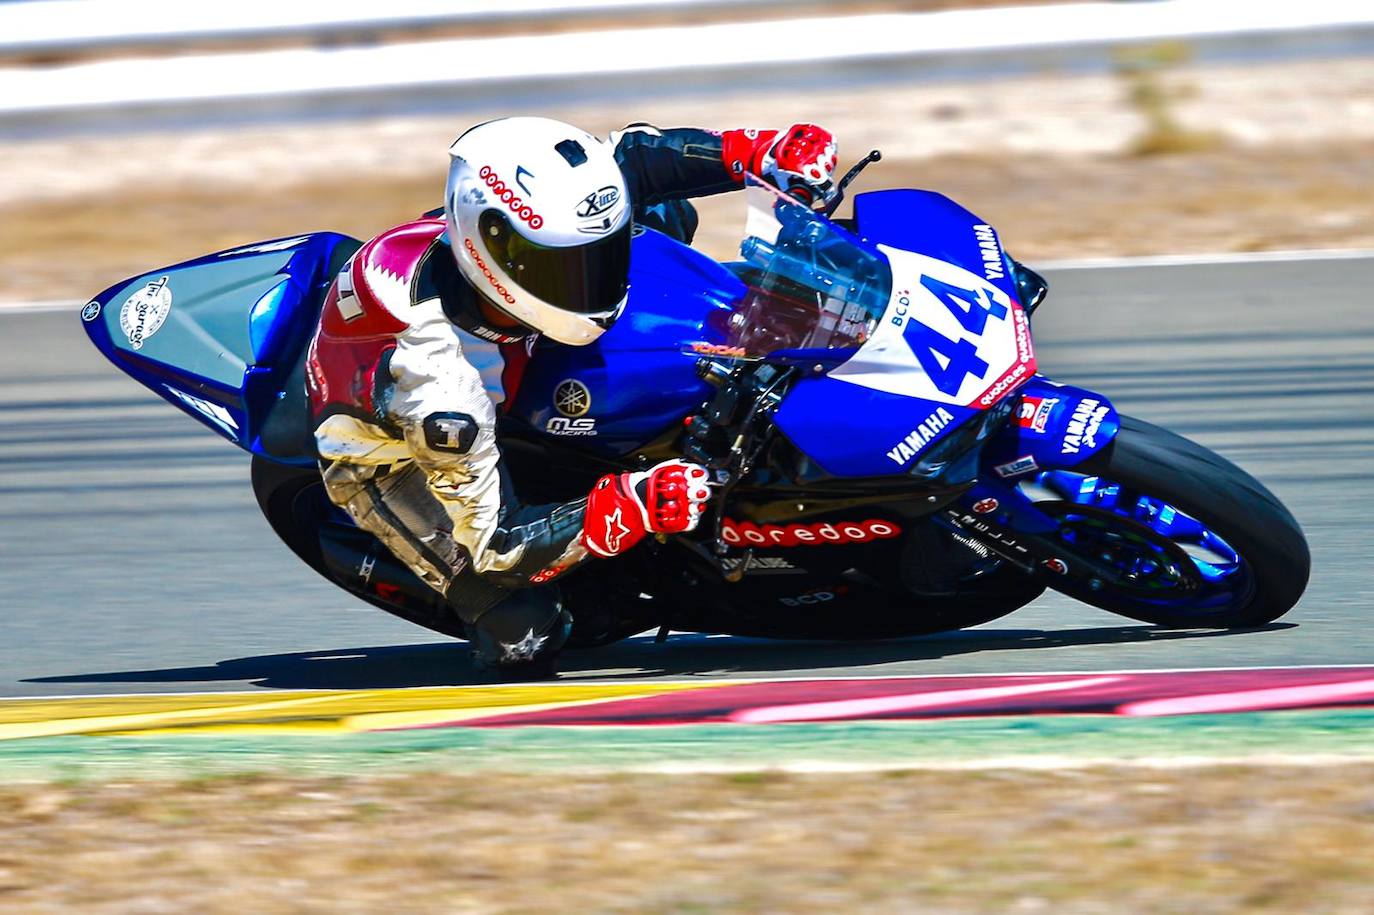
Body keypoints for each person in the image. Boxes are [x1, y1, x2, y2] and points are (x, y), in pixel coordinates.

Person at [304, 117, 839, 674]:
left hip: (510, 349)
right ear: (498, 255)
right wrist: (628, 506)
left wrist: (757, 152)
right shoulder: (445, 395)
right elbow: (497, 543)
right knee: (531, 632)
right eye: (573, 267)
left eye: (600, 256)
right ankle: (457, 583)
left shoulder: (515, 253)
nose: (601, 278)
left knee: (669, 211)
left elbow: (631, 160)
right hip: (393, 459)